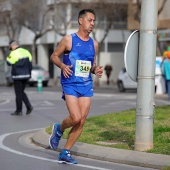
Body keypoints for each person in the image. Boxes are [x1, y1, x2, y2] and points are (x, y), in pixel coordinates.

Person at [49, 9, 103, 164]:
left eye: (94, 21)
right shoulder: (68, 40)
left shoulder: (94, 44)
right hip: (70, 83)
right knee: (75, 117)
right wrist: (62, 66)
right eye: (89, 20)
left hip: (86, 84)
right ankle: (59, 129)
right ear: (81, 20)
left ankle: (65, 152)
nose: (92, 23)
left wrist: (95, 70)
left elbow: (91, 65)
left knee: (81, 121)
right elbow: (54, 56)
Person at [6, 40, 33, 115]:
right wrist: (29, 74)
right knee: (21, 92)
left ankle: (19, 110)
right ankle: (28, 106)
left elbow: (8, 63)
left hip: (17, 76)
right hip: (26, 75)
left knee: (18, 93)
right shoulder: (26, 51)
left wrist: (10, 55)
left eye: (10, 47)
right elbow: (30, 64)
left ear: (13, 46)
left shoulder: (14, 53)